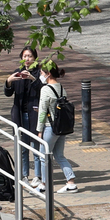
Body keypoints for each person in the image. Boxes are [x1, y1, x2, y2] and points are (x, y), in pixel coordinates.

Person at [4, 47, 43, 188]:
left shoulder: (39, 73)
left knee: (36, 147)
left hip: (35, 114)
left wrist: (33, 79)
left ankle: (38, 176)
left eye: (30, 56)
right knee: (23, 148)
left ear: (35, 58)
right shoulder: (17, 73)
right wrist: (9, 81)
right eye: (25, 56)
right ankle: (24, 175)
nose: (27, 59)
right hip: (20, 115)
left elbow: (43, 89)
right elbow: (8, 93)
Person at [36, 64, 78, 194]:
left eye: (42, 72)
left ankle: (44, 184)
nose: (40, 75)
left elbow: (42, 112)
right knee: (59, 155)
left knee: (44, 156)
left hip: (50, 127)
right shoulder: (61, 88)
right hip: (61, 127)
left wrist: (39, 130)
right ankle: (70, 182)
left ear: (48, 74)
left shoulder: (45, 90)